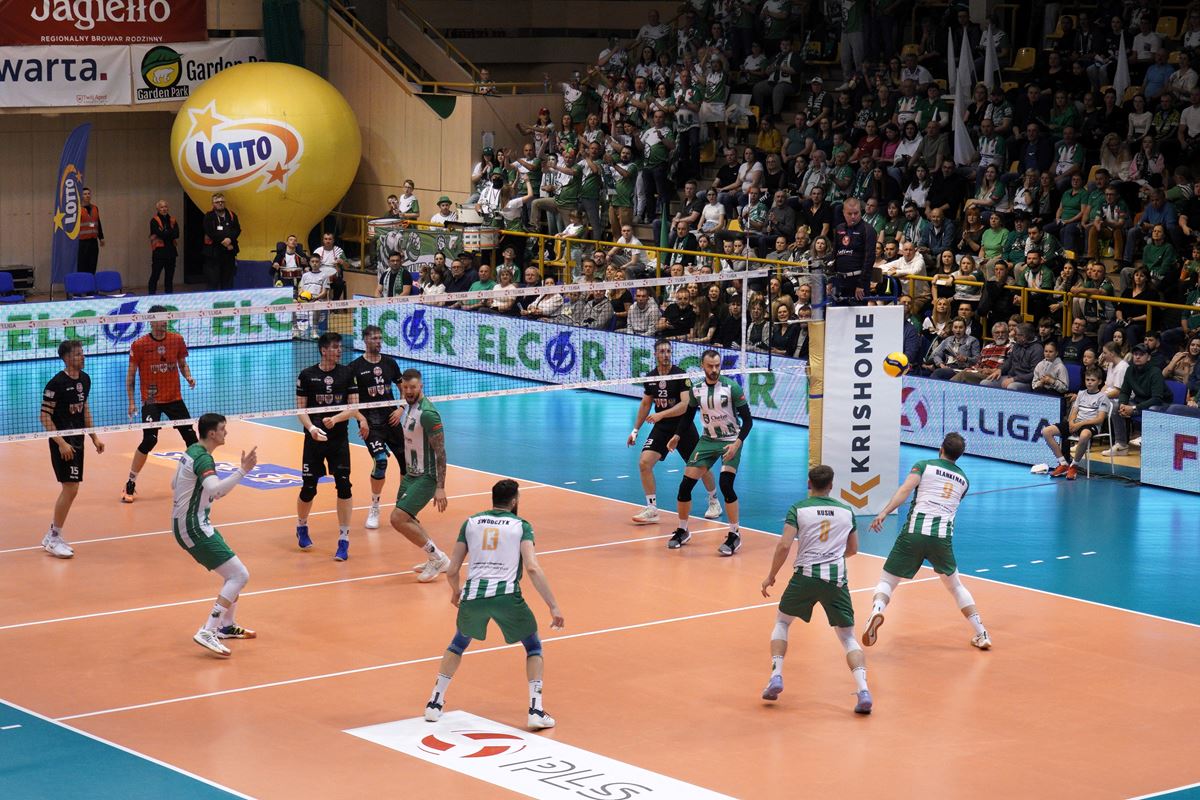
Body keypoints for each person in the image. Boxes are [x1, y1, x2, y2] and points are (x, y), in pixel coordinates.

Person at [424, 479, 564, 730]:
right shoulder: (521, 526)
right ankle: (535, 709)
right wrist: (553, 606)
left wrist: (456, 592)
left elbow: (452, 569)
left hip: (473, 596)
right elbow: (532, 567)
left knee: (458, 644)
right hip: (507, 596)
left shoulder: (471, 523)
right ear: (514, 501)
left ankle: (434, 702)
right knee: (533, 646)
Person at [760, 464, 873, 715]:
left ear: (809, 484)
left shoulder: (798, 509)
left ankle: (776, 675)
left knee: (782, 622)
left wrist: (771, 576)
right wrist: (832, 556)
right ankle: (864, 690)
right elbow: (853, 549)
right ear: (831, 485)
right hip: (836, 580)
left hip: (805, 577)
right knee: (848, 637)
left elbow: (784, 545)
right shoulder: (847, 511)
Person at [863, 432, 992, 651]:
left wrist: (884, 512)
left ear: (941, 448)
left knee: (888, 580)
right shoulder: (964, 481)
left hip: (914, 533)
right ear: (959, 455)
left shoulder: (924, 466)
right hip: (941, 538)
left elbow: (905, 490)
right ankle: (982, 633)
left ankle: (877, 611)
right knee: (956, 586)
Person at [649, 350, 753, 556]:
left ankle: (735, 534)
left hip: (730, 441)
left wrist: (737, 444)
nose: (714, 370)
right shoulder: (696, 390)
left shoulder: (731, 388)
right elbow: (687, 416)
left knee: (726, 484)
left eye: (717, 366)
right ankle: (683, 530)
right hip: (707, 441)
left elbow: (748, 421)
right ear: (702, 366)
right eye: (710, 366)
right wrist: (677, 436)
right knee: (685, 486)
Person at [172, 413, 259, 657]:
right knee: (239, 575)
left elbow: (174, 483)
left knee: (232, 573)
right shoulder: (203, 459)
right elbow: (215, 491)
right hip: (193, 527)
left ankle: (226, 626)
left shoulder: (192, 451)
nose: (226, 433)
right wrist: (243, 471)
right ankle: (208, 630)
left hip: (192, 523)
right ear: (212, 433)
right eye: (223, 429)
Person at [628, 339, 722, 525]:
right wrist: (635, 430)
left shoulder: (680, 375)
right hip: (662, 428)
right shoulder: (651, 377)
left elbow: (685, 405)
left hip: (682, 427)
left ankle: (714, 501)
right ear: (655, 354)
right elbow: (646, 404)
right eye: (662, 351)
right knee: (644, 463)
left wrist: (661, 414)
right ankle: (652, 509)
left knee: (701, 466)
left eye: (668, 351)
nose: (666, 355)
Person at [295, 332, 365, 561]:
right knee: (309, 488)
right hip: (314, 440)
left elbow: (354, 408)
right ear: (323, 350)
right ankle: (301, 525)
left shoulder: (347, 374)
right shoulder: (307, 375)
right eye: (334, 347)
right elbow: (301, 410)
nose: (339, 350)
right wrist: (311, 429)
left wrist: (334, 419)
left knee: (344, 486)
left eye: (339, 347)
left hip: (338, 440)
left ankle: (344, 540)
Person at [121, 306, 198, 503]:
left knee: (192, 439)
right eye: (161, 319)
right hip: (151, 400)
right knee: (149, 440)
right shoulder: (139, 345)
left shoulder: (176, 340)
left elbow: (182, 364)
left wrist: (188, 376)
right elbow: (130, 376)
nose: (164, 322)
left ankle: (198, 479)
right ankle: (130, 482)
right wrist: (131, 402)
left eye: (166, 319)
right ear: (152, 321)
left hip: (174, 398)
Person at [40, 340, 104, 558]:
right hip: (63, 443)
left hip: (78, 440)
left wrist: (94, 437)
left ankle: (51, 535)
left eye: (82, 353)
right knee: (71, 488)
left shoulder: (85, 379)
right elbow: (44, 417)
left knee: (72, 488)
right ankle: (54, 538)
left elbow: (84, 409)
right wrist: (61, 443)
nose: (82, 357)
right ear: (67, 358)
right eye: (77, 354)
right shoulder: (56, 383)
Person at [391, 369, 454, 583]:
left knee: (397, 518)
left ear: (421, 387)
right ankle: (437, 557)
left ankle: (437, 558)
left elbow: (441, 452)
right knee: (405, 518)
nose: (409, 391)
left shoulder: (427, 414)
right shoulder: (410, 407)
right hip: (411, 474)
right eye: (405, 387)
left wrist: (440, 486)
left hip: (427, 476)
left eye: (413, 387)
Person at [349, 325, 406, 530]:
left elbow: (404, 389)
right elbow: (350, 401)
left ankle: (403, 508)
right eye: (374, 338)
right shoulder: (354, 367)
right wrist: (360, 419)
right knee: (381, 461)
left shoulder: (390, 363)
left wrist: (401, 408)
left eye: (380, 338)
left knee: (406, 464)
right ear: (365, 340)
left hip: (392, 420)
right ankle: (374, 507)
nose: (378, 341)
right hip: (370, 423)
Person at [1041, 367, 1111, 480]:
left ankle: (1074, 465)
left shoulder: (1103, 397)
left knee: (1084, 435)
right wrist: (1072, 423)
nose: (1089, 382)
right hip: (1077, 423)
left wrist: (1079, 424)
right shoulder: (1081, 394)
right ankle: (1063, 464)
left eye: (1092, 380)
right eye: (1087, 379)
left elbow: (1100, 419)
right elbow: (1074, 412)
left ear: (1099, 382)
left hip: (1091, 424)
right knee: (1046, 431)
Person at [830, 197, 876, 304]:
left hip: (858, 282)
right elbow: (834, 254)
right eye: (849, 214)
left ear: (861, 211)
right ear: (843, 212)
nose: (853, 217)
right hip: (840, 280)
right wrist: (831, 280)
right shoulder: (839, 228)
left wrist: (861, 284)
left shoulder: (868, 230)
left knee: (858, 312)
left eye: (856, 213)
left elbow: (869, 259)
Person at [202, 193, 240, 290]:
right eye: (217, 202)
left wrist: (229, 239)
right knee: (213, 281)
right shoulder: (209, 216)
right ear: (213, 204)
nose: (220, 203)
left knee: (228, 281)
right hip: (213, 253)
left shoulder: (232, 215)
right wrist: (223, 241)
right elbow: (210, 232)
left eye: (222, 201)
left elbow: (237, 230)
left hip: (229, 253)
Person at [148, 199, 179, 295]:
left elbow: (177, 234)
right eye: (162, 207)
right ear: (158, 209)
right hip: (159, 253)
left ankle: (169, 296)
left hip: (171, 252)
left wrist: (166, 233)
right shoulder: (154, 220)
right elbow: (159, 234)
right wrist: (169, 233)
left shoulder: (172, 220)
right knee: (155, 275)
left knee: (169, 277)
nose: (164, 209)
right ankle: (151, 295)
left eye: (165, 206)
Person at [312, 232, 349, 302]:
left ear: (333, 240)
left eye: (330, 239)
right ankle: (317, 300)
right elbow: (312, 264)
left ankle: (335, 301)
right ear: (323, 240)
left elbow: (347, 266)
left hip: (334, 278)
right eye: (326, 239)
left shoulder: (339, 251)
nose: (328, 241)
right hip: (320, 278)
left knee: (340, 284)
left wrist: (342, 262)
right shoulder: (318, 251)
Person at [76, 186, 104, 274]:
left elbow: (97, 223)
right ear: (81, 196)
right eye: (85, 194)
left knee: (92, 266)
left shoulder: (95, 208)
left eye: (88, 194)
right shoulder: (77, 209)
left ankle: (91, 282)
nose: (87, 195)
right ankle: (83, 282)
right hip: (82, 242)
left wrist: (101, 237)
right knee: (82, 266)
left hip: (93, 242)